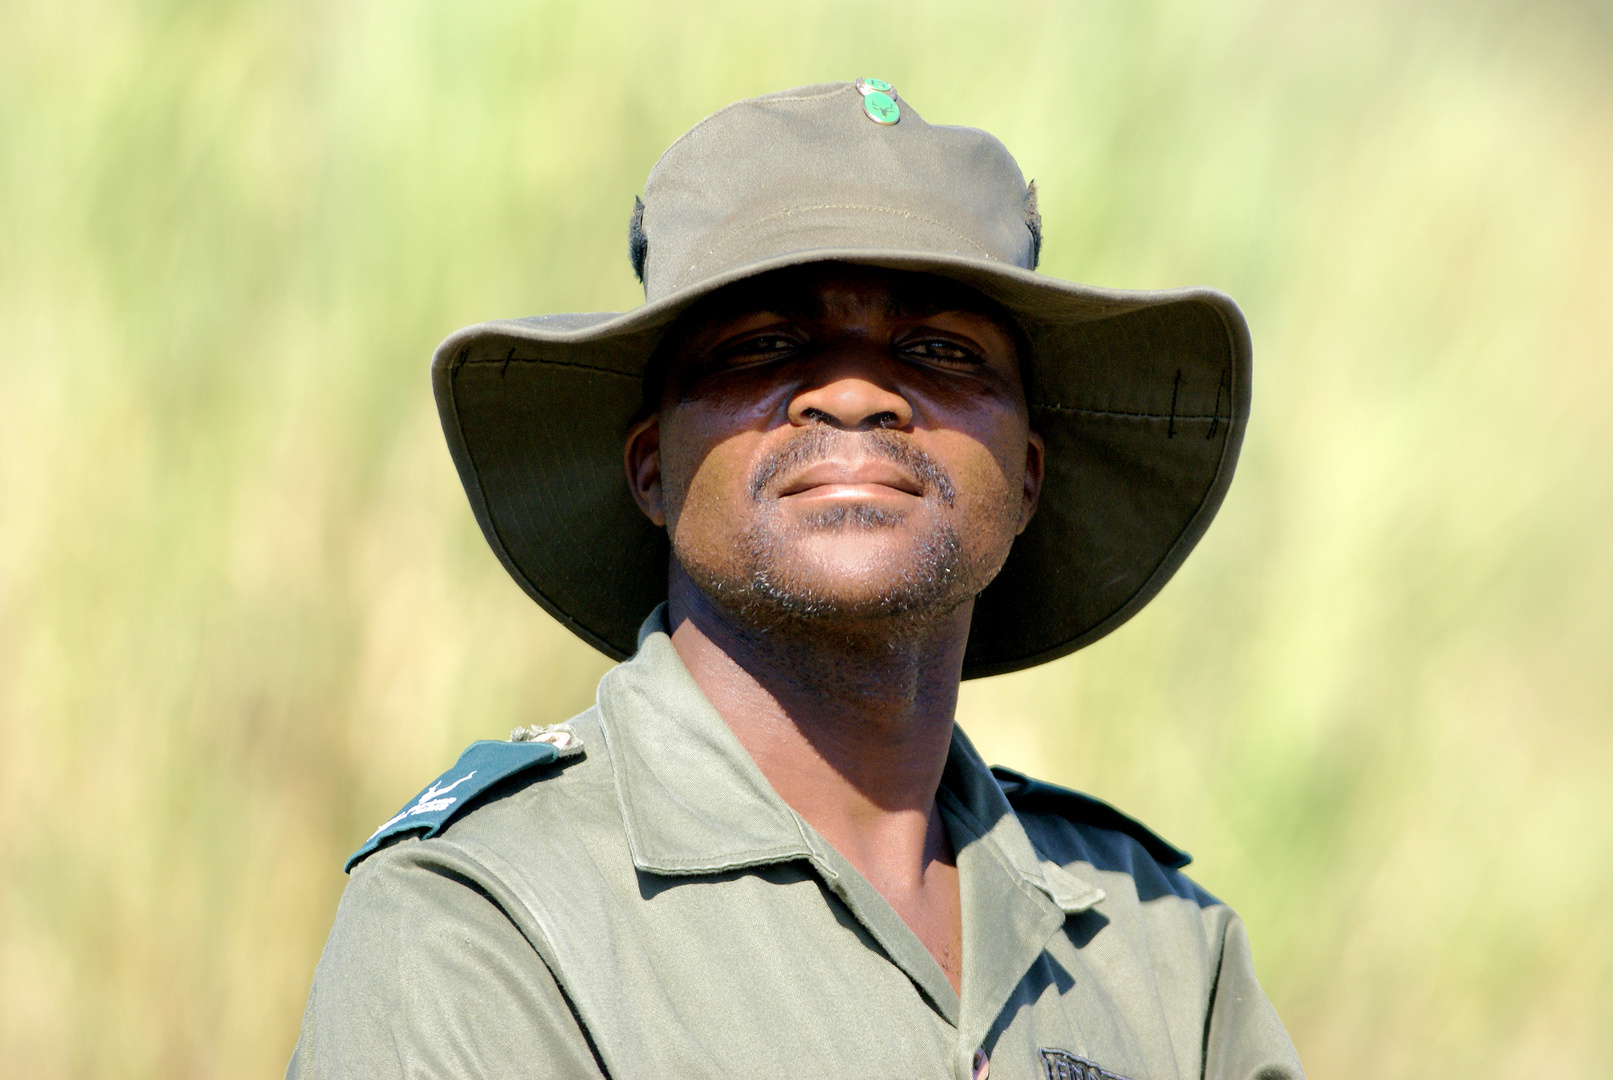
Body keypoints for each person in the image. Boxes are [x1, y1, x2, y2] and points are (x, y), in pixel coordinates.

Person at [288, 81, 1302, 1080]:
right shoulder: (489, 918)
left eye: (940, 350)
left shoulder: (1155, 939)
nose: (854, 394)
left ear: (1027, 477)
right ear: (652, 468)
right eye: (763, 346)